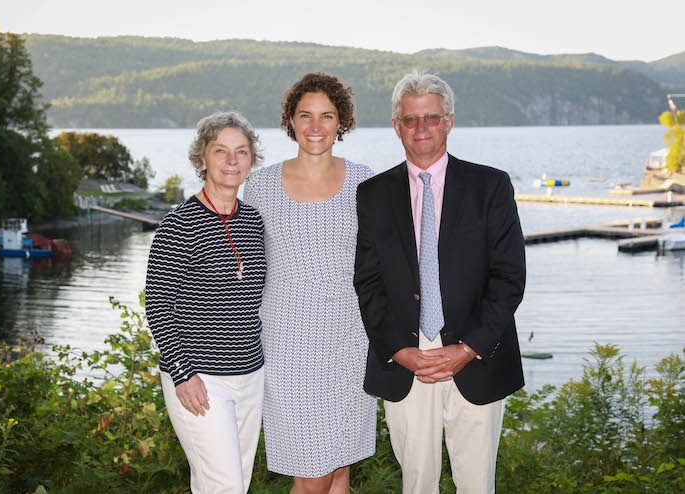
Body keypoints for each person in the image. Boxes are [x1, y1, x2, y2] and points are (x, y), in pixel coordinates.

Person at [353, 69, 526, 493]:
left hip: (477, 355)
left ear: (448, 120)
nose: (421, 128)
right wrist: (398, 349)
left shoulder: (491, 186)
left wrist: (468, 348)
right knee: (416, 483)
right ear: (397, 126)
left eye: (431, 117)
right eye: (410, 120)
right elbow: (368, 282)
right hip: (407, 359)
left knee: (476, 485)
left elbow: (510, 277)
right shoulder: (373, 194)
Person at [243, 72, 376, 494]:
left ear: (342, 122)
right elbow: (243, 263)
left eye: (327, 115)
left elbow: (378, 264)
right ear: (291, 121)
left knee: (339, 473)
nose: (316, 126)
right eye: (306, 115)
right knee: (312, 475)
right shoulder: (261, 184)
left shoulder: (363, 181)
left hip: (350, 344)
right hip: (288, 347)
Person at [145, 111, 266, 493]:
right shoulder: (178, 224)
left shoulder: (253, 221)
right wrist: (182, 373)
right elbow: (159, 306)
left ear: (251, 159)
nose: (232, 160)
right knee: (225, 485)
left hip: (250, 375)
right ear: (203, 158)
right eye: (221, 151)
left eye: (241, 152)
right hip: (200, 378)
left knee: (232, 485)